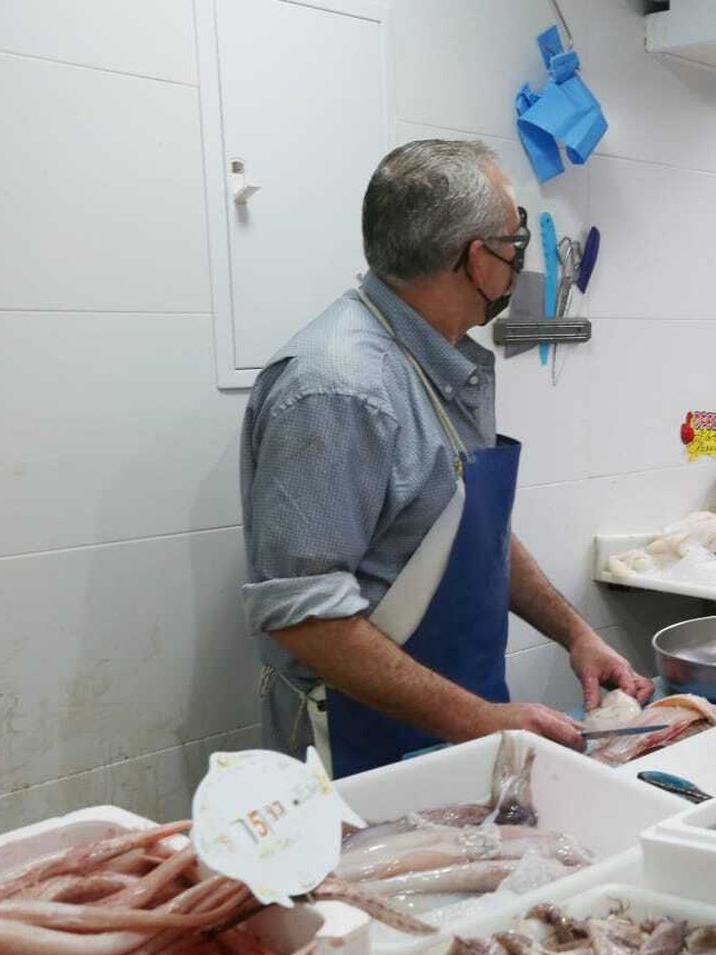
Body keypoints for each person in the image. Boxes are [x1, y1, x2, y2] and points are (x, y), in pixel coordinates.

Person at [240, 140, 653, 776]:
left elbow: (468, 531)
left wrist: (578, 635)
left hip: (454, 726)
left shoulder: (440, 359)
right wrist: (476, 720)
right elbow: (306, 618)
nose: (521, 263)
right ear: (476, 259)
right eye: (516, 244)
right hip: (357, 743)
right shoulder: (339, 387)